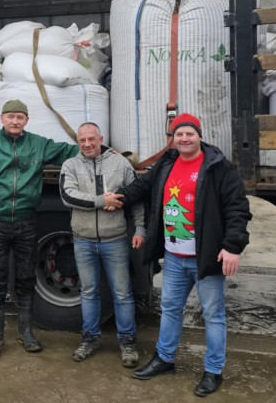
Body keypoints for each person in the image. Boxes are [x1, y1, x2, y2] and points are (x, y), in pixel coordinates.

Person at [106, 113, 252, 397]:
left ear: (199, 136)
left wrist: (233, 247)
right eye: (179, 134)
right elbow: (142, 187)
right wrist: (118, 197)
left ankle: (213, 371)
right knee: (171, 309)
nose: (184, 139)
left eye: (189, 133)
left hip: (206, 258)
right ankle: (165, 359)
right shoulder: (167, 163)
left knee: (213, 315)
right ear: (172, 139)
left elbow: (237, 208)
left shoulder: (218, 167)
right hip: (174, 257)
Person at [0, 99, 79, 362]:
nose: (15, 121)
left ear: (26, 121)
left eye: (20, 117)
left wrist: (100, 149)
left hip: (25, 222)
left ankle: (26, 333)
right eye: (10, 116)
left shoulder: (38, 145)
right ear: (2, 119)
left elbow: (69, 151)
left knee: (25, 279)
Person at [59, 122, 146, 368]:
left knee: (122, 294)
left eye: (91, 139)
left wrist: (140, 228)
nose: (87, 144)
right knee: (88, 292)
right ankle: (90, 339)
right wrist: (101, 200)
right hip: (83, 240)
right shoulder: (71, 165)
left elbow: (137, 198)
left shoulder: (120, 164)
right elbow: (68, 195)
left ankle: (128, 343)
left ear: (101, 138)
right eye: (82, 140)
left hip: (115, 240)